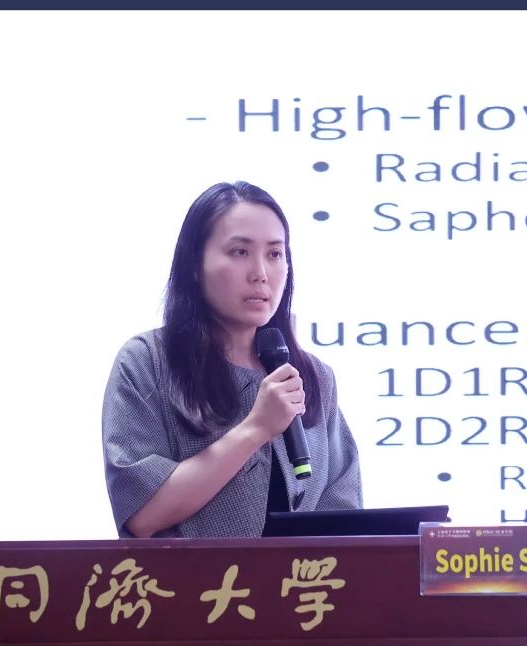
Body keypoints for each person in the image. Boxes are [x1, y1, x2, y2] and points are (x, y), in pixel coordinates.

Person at [101, 181, 362, 538]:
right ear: (195, 264)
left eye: (275, 254)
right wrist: (256, 428)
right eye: (240, 252)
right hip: (196, 577)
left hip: (301, 576)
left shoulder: (314, 376)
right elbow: (142, 515)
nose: (261, 273)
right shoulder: (147, 362)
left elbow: (345, 523)